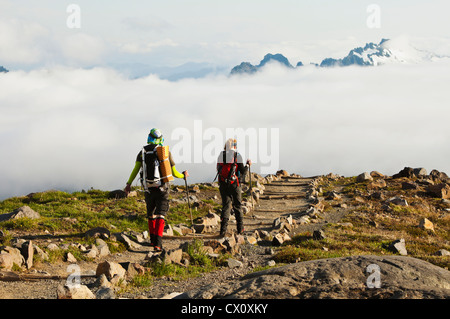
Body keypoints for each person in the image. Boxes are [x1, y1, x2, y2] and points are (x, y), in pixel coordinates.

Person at [124, 128, 188, 251]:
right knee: (161, 214)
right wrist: (183, 175)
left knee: (151, 214)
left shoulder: (142, 152)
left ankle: (153, 241)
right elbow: (173, 173)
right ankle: (158, 244)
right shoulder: (164, 152)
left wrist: (128, 184)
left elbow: (136, 169)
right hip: (163, 187)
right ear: (161, 139)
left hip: (148, 188)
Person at [216, 138, 251, 237]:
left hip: (223, 184)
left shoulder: (221, 155)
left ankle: (222, 231)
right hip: (234, 184)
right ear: (234, 146)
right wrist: (248, 165)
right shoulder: (237, 155)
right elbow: (243, 171)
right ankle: (240, 229)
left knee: (226, 206)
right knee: (237, 206)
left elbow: (218, 169)